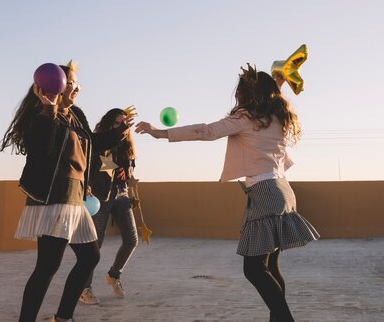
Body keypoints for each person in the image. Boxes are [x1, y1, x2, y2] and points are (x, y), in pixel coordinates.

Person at [135, 64, 320, 322]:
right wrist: (277, 84)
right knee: (270, 266)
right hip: (282, 190)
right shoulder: (276, 115)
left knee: (254, 269)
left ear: (247, 94)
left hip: (265, 192)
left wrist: (160, 133)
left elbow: (205, 131)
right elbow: (271, 96)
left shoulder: (246, 117)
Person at [0, 62, 133, 322]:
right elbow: (41, 150)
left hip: (75, 197)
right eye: (71, 82)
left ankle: (63, 317)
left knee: (89, 257)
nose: (77, 88)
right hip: (54, 198)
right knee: (48, 266)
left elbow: (92, 144)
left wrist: (119, 133)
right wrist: (49, 108)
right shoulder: (42, 116)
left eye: (77, 83)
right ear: (57, 85)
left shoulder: (76, 115)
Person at [79, 108, 139, 305]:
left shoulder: (127, 146)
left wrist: (128, 173)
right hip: (102, 195)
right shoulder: (100, 142)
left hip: (122, 194)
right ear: (108, 124)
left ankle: (114, 275)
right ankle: (84, 288)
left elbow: (125, 172)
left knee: (131, 239)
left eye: (124, 123)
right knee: (96, 244)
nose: (121, 127)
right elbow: (90, 165)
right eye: (117, 123)